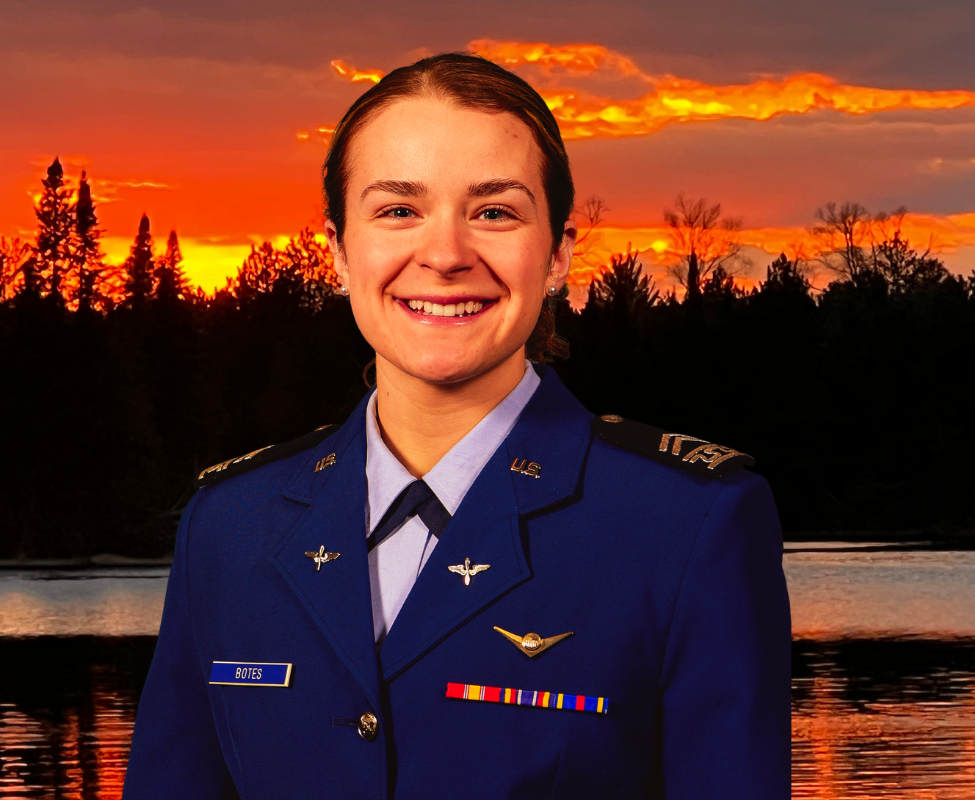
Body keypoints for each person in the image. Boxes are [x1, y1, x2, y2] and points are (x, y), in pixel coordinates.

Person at [122, 52, 789, 800]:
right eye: (399, 210)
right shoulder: (231, 524)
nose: (444, 255)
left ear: (560, 252)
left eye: (494, 211)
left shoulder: (690, 522)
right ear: (339, 251)